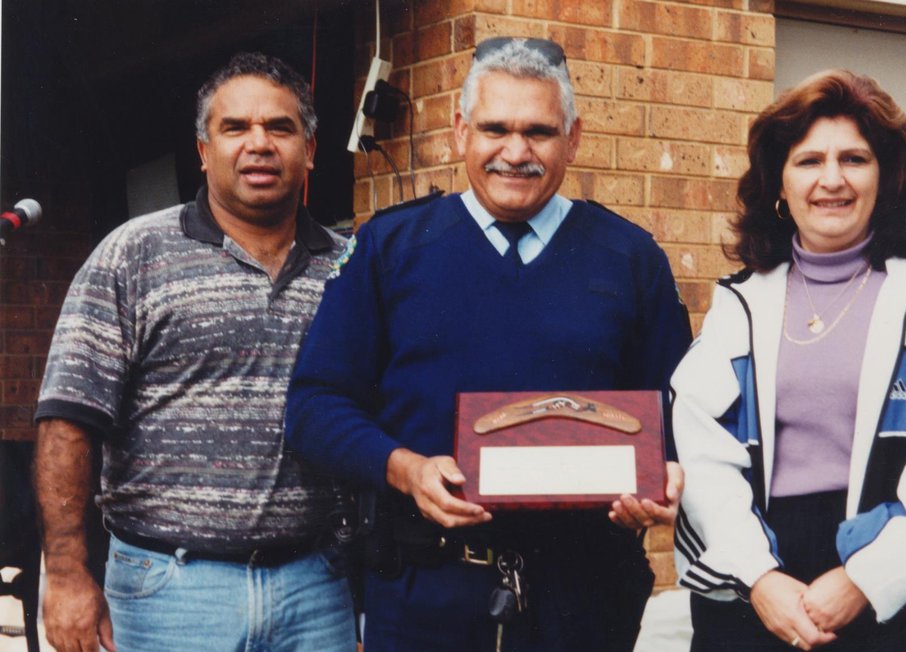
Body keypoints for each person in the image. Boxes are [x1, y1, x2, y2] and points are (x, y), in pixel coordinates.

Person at [285, 37, 691, 652]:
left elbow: (677, 410)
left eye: (540, 132)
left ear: (573, 138)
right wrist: (405, 469)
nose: (516, 152)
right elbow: (314, 406)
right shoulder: (388, 249)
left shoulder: (630, 258)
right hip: (426, 592)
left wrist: (663, 479)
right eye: (495, 128)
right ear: (459, 132)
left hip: (584, 598)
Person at [33, 52, 356, 652]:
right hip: (170, 591)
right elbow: (66, 422)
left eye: (280, 128)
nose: (258, 144)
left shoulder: (349, 266)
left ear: (309, 150)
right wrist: (68, 574)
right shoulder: (133, 254)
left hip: (316, 587)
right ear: (204, 152)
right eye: (235, 128)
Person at [671, 69, 906, 651]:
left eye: (854, 159)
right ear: (779, 181)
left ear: (886, 177)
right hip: (761, 591)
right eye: (808, 161)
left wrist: (864, 581)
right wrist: (760, 580)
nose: (831, 180)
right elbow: (700, 450)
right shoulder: (738, 303)